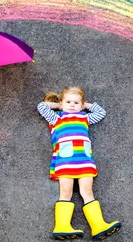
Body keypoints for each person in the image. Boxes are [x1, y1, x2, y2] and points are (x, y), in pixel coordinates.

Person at [37, 86, 121, 240]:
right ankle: (62, 226)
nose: (72, 105)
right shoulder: (56, 117)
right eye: (68, 102)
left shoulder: (84, 117)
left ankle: (98, 226)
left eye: (76, 103)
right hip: (65, 163)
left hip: (84, 163)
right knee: (66, 193)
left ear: (82, 106)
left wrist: (85, 105)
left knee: (87, 192)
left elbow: (101, 112)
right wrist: (58, 104)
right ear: (62, 104)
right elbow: (41, 106)